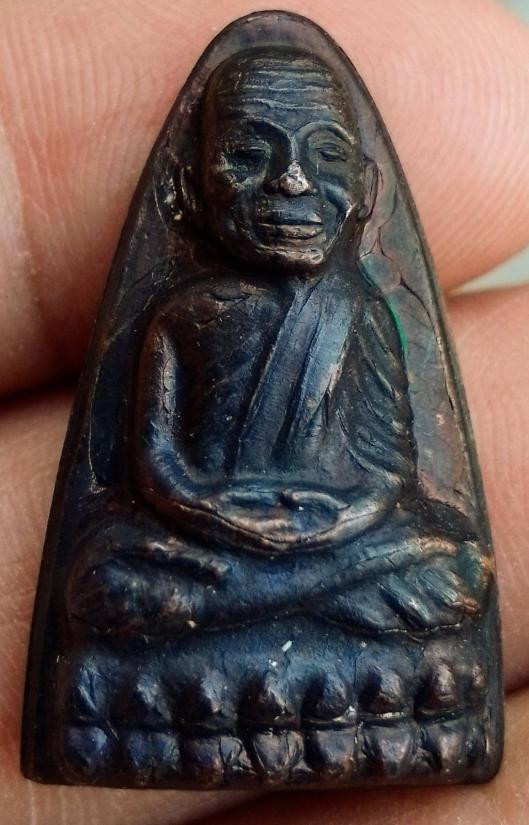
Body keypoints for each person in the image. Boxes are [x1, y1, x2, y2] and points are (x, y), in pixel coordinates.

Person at [1, 0, 529, 822]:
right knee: (102, 577)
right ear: (188, 186)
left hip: (337, 542)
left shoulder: (359, 313)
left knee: (451, 568)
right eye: (250, 154)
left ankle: (235, 632)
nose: (291, 181)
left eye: (325, 156)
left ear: (363, 190)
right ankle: (307, 646)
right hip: (210, 537)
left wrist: (333, 525)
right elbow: (155, 466)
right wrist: (218, 515)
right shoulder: (180, 314)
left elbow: (388, 473)